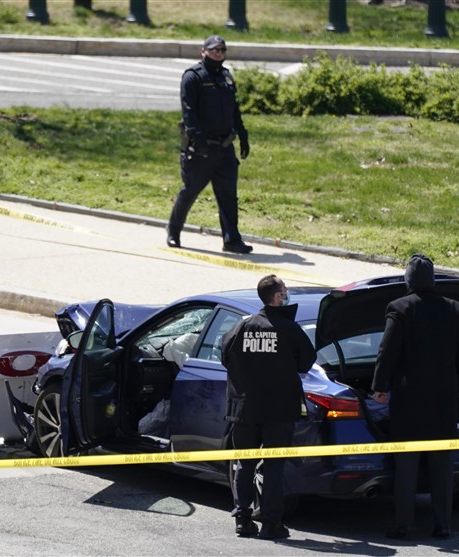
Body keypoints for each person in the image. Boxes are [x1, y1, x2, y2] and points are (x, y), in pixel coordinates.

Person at [371, 254, 459, 540]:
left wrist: (380, 385)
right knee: (442, 466)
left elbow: (387, 350)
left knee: (406, 464)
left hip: (409, 398)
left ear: (408, 281)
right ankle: (443, 525)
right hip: (444, 397)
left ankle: (404, 524)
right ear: (433, 280)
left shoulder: (400, 308)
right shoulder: (454, 308)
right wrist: (452, 366)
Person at [221, 274, 316, 540]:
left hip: (244, 409)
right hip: (278, 410)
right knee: (273, 467)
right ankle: (272, 524)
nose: (287, 294)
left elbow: (224, 355)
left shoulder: (242, 326)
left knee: (245, 464)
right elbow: (306, 362)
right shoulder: (289, 330)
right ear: (277, 297)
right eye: (284, 290)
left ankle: (242, 518)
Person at [166, 35, 253, 254]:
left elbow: (234, 110)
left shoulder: (225, 76)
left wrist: (242, 134)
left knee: (228, 196)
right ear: (203, 51)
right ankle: (174, 231)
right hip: (201, 149)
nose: (218, 53)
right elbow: (189, 113)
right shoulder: (192, 77)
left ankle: (232, 240)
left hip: (224, 148)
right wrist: (199, 141)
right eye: (214, 50)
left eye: (222, 50)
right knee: (190, 191)